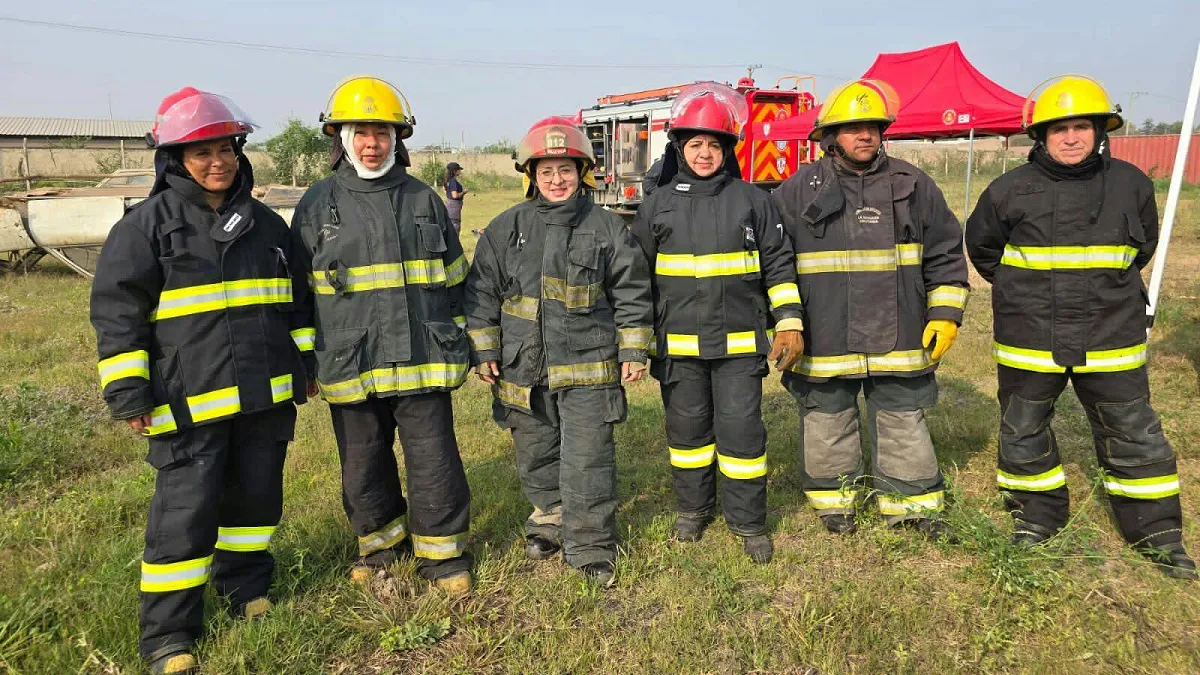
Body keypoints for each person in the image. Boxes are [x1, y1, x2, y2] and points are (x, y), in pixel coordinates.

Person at [91, 87, 313, 675]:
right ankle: (169, 635)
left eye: (226, 150)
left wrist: (305, 365)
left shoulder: (267, 226)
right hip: (187, 401)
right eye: (202, 153)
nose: (218, 162)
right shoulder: (144, 228)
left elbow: (297, 303)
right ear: (174, 160)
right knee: (183, 517)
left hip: (264, 397)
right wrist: (129, 390)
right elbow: (118, 315)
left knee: (256, 503)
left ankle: (246, 587)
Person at [966, 75, 1195, 579]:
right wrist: (1024, 293)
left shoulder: (1132, 184)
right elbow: (983, 251)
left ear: (1100, 131)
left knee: (1133, 432)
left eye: (1081, 127)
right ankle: (1036, 517)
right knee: (1023, 429)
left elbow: (1142, 247)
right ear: (1041, 137)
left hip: (1111, 335)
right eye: (1059, 129)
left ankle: (1157, 535)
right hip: (1030, 337)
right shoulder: (1007, 190)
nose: (1071, 138)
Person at [291, 76, 475, 593]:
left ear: (398, 139)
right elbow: (299, 293)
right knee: (363, 463)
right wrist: (305, 360)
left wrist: (463, 340)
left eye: (382, 133)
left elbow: (455, 280)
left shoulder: (423, 200)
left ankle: (443, 558)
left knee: (434, 460)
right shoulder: (316, 204)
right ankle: (379, 550)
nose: (372, 144)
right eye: (362, 133)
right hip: (350, 361)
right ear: (342, 139)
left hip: (423, 357)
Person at [770, 79, 969, 539]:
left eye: (873, 127)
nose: (865, 135)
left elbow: (945, 251)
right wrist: (786, 321)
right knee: (827, 416)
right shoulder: (797, 192)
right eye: (853, 128)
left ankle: (911, 505)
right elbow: (775, 261)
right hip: (825, 332)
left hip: (900, 331)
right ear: (830, 136)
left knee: (902, 416)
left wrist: (945, 313)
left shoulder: (913, 185)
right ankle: (834, 502)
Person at [464, 115, 653, 586]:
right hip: (521, 367)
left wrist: (632, 352)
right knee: (536, 451)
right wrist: (484, 351)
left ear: (582, 172)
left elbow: (632, 291)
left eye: (565, 170)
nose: (556, 179)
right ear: (531, 175)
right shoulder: (506, 228)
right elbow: (481, 293)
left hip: (588, 366)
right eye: (546, 171)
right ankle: (549, 521)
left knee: (587, 457)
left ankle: (590, 546)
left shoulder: (607, 228)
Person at [630, 83, 804, 564]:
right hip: (678, 349)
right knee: (687, 436)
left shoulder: (753, 201)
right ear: (679, 148)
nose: (704, 153)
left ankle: (748, 522)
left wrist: (789, 321)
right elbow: (635, 279)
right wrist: (635, 342)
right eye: (695, 144)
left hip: (739, 347)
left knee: (742, 434)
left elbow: (779, 264)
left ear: (728, 149)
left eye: (714, 144)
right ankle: (693, 510)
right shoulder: (657, 205)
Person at [444, 161, 467, 233]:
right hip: (454, 207)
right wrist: (464, 192)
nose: (460, 171)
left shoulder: (448, 180)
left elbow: (444, 189)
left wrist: (449, 196)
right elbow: (455, 195)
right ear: (454, 171)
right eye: (459, 170)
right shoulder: (453, 181)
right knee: (455, 226)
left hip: (449, 204)